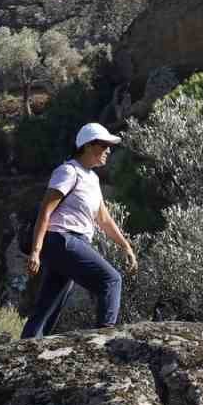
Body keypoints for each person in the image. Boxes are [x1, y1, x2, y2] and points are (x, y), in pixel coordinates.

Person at [21, 122, 138, 338]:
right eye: (104, 145)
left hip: (71, 243)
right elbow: (45, 212)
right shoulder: (68, 171)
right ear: (87, 146)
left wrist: (126, 247)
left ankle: (26, 350)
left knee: (47, 306)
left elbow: (103, 219)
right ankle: (105, 339)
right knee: (111, 280)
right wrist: (36, 251)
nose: (108, 150)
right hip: (62, 239)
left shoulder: (92, 178)